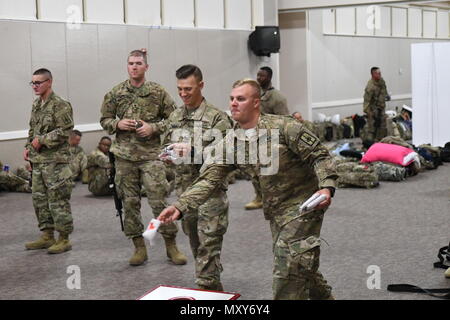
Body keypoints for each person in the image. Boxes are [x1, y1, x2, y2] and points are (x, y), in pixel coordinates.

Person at [159, 79, 338, 300]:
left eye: (240, 99)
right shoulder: (232, 142)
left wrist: (326, 188)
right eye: (232, 99)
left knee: (288, 273)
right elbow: (209, 179)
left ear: (256, 103)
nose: (233, 103)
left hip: (304, 205)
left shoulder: (284, 127)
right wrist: (180, 205)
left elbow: (319, 156)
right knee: (301, 264)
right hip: (275, 211)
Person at [100, 49, 187, 266]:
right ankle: (139, 246)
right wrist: (117, 124)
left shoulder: (158, 92)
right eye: (131, 63)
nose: (134, 67)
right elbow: (105, 119)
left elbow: (175, 119)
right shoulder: (116, 92)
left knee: (158, 201)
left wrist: (153, 128)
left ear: (146, 67)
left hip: (151, 157)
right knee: (129, 203)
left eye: (139, 63)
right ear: (127, 66)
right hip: (124, 157)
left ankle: (171, 244)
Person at [161, 64, 232, 290]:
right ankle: (209, 284)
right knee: (196, 244)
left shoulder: (216, 118)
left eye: (188, 89)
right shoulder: (175, 116)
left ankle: (208, 288)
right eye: (180, 89)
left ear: (201, 85)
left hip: (210, 193)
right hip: (185, 194)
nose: (183, 94)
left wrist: (192, 151)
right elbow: (166, 144)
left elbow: (227, 156)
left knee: (208, 245)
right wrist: (169, 155)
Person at [23, 68, 75, 254]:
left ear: (49, 82)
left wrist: (42, 141)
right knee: (39, 199)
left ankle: (64, 238)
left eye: (39, 82)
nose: (35, 86)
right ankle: (47, 235)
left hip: (55, 163)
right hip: (38, 161)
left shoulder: (60, 105)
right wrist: (28, 148)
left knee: (58, 201)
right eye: (33, 83)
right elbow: (32, 130)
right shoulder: (37, 105)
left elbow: (65, 131)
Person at [245, 66, 290, 210]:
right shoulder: (254, 95)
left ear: (269, 77)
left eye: (262, 76)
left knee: (271, 172)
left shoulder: (277, 97)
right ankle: (259, 197)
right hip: (254, 136)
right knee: (254, 171)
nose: (259, 78)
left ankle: (276, 197)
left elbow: (284, 121)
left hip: (270, 138)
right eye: (258, 75)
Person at [363, 67, 390, 142]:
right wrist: (369, 113)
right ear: (373, 74)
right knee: (372, 130)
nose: (380, 74)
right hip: (373, 110)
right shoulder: (370, 86)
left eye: (380, 73)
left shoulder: (381, 81)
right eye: (378, 73)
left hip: (381, 108)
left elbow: (384, 91)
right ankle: (369, 145)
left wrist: (386, 96)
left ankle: (381, 142)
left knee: (382, 128)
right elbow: (366, 101)